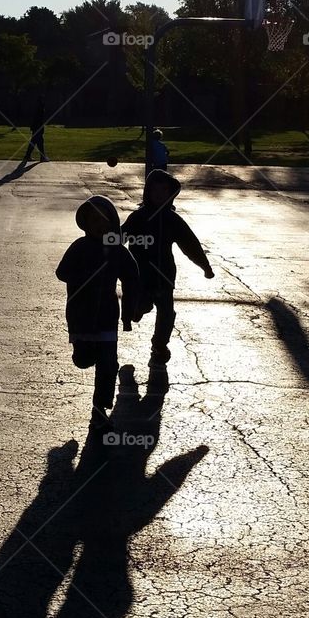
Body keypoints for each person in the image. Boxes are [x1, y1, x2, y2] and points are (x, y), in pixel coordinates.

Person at [56, 196, 140, 433]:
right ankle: (82, 354)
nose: (98, 225)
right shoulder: (79, 247)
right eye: (93, 220)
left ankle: (100, 408)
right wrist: (83, 277)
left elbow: (132, 279)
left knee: (108, 363)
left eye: (104, 220)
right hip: (80, 315)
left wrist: (130, 311)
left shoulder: (117, 251)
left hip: (106, 316)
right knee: (84, 360)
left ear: (112, 223)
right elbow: (61, 273)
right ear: (85, 223)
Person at [123, 169, 214, 365]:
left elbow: (190, 245)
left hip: (164, 275)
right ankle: (136, 310)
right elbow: (119, 238)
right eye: (155, 191)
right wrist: (103, 250)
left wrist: (205, 266)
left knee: (166, 312)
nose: (159, 195)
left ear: (170, 194)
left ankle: (159, 344)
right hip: (139, 275)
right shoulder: (138, 218)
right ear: (147, 192)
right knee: (142, 305)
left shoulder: (173, 221)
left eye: (164, 191)